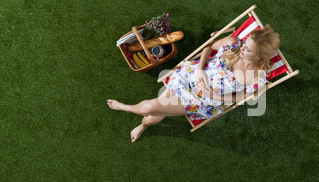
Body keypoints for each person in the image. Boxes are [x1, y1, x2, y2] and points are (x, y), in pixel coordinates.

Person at [107, 26, 280, 142]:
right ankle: (143, 126)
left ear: (259, 56)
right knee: (153, 115)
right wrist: (200, 70)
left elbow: (238, 98)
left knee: (150, 108)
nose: (242, 48)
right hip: (189, 76)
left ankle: (125, 107)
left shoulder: (257, 78)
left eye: (248, 49)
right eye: (245, 43)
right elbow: (209, 48)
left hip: (201, 101)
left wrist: (213, 95)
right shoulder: (233, 44)